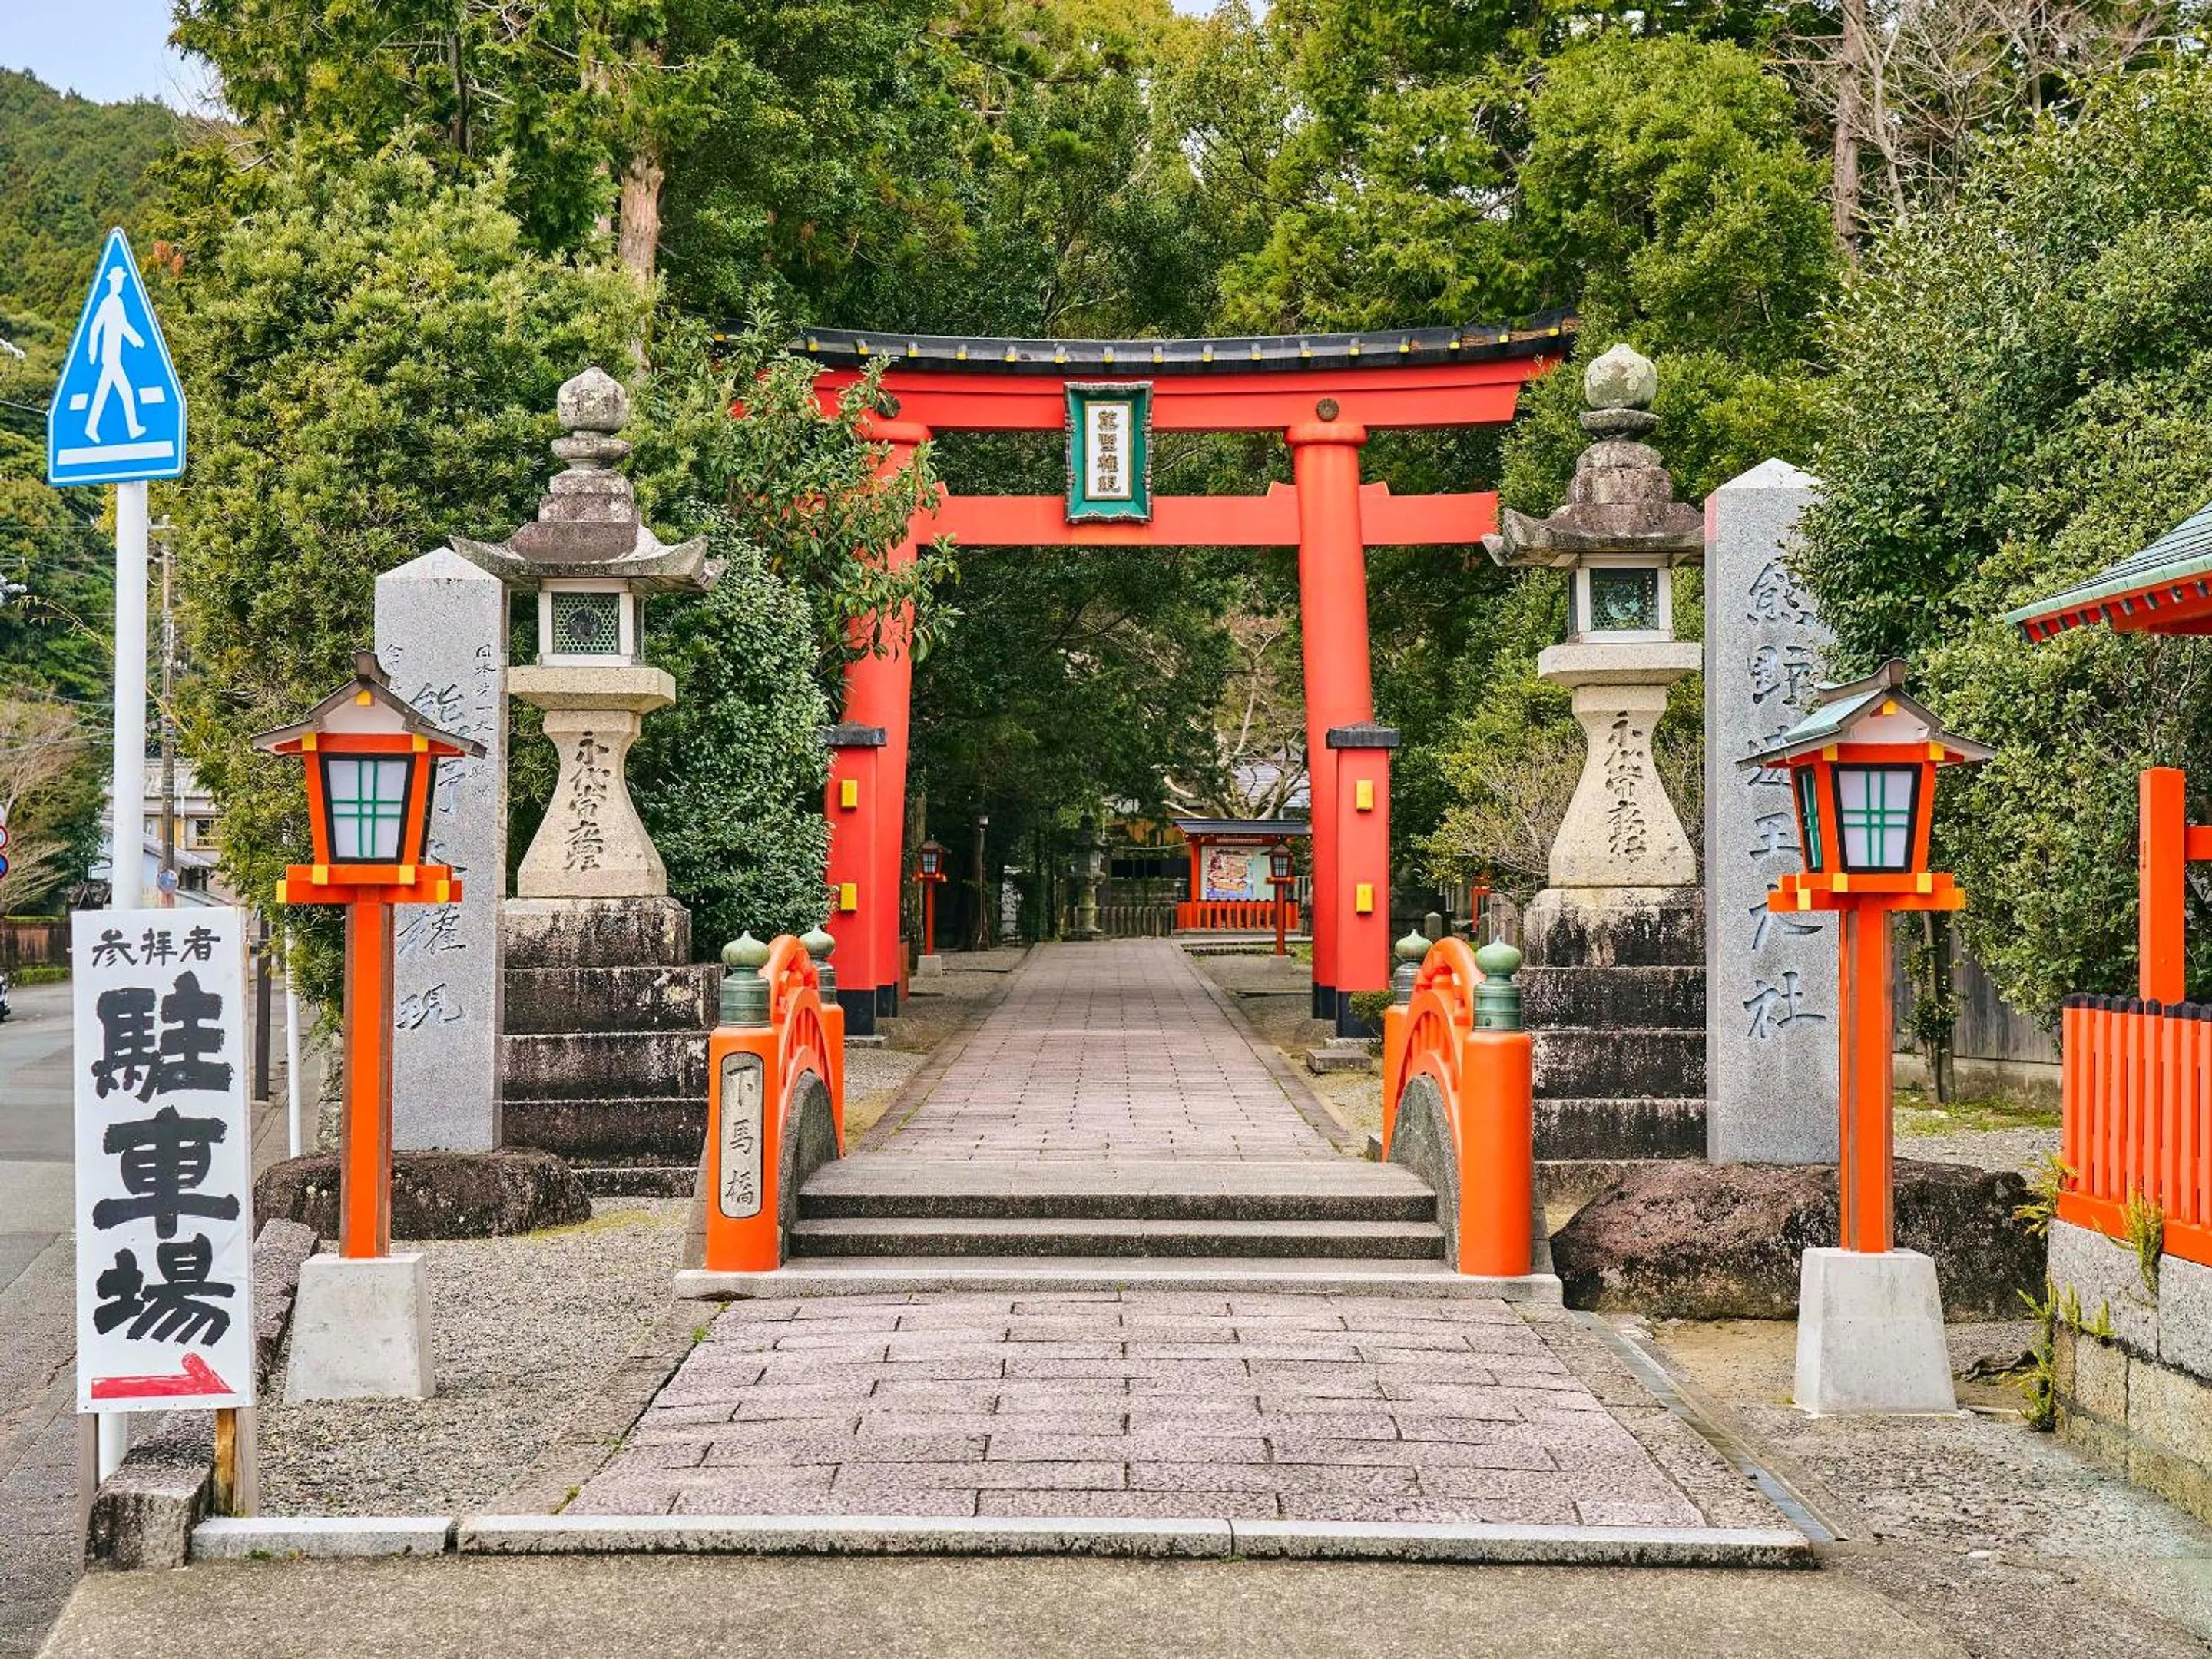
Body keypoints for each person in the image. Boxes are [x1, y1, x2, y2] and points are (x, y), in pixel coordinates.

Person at [84, 269, 146, 442]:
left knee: (103, 393)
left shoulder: (117, 302)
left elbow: (124, 325)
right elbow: (95, 327)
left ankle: (91, 427)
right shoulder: (109, 302)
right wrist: (92, 352)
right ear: (113, 282)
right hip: (110, 357)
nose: (120, 284)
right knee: (126, 392)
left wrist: (137, 340)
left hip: (113, 357)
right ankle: (132, 428)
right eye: (118, 281)